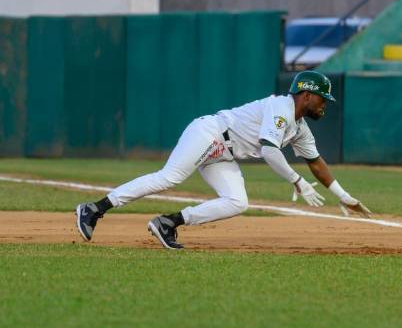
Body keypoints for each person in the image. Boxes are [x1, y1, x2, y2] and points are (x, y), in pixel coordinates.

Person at [75, 70, 371, 249]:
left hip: (224, 154)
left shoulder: (300, 128)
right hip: (211, 133)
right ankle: (94, 209)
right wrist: (295, 181)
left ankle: (168, 222)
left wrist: (343, 197)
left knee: (238, 202)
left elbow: (316, 163)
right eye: (322, 99)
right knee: (170, 177)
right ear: (306, 95)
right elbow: (269, 150)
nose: (324, 106)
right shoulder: (281, 107)